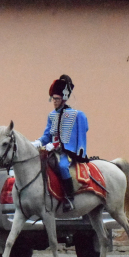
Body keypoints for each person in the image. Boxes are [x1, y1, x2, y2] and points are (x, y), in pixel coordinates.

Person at [32, 74, 88, 212]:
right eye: (53, 99)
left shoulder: (76, 115)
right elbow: (48, 135)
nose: (54, 101)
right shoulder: (51, 115)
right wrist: (38, 142)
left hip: (67, 151)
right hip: (51, 150)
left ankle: (69, 197)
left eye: (56, 99)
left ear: (63, 99)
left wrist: (57, 145)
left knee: (63, 166)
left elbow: (72, 136)